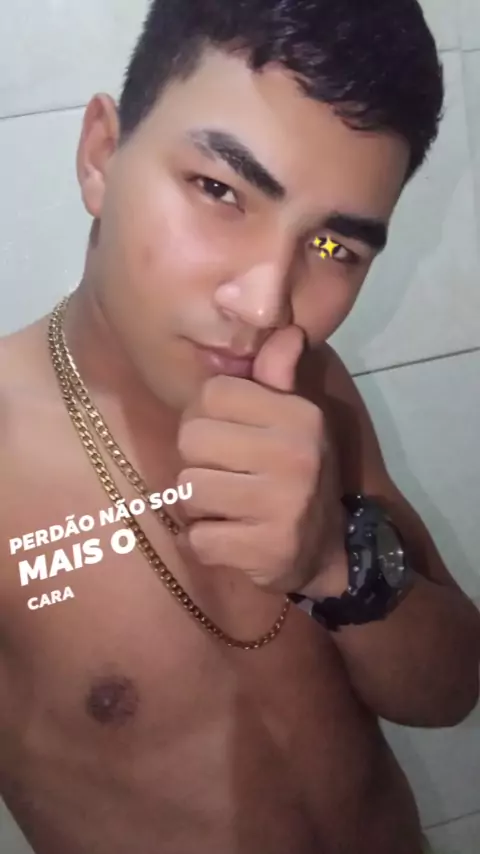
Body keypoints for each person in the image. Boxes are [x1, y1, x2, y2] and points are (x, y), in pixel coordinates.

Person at [0, 1, 479, 852]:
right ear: (102, 154)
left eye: (332, 249)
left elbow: (452, 690)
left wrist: (332, 564)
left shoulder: (312, 386)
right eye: (220, 190)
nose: (264, 304)